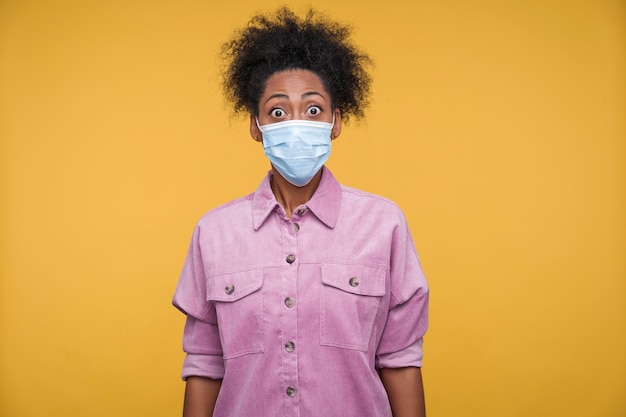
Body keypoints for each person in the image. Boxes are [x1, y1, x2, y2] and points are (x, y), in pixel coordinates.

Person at [172, 6, 429, 417]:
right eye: (277, 111)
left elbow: (400, 358)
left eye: (312, 110)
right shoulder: (214, 233)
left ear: (336, 122)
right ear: (256, 126)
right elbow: (204, 364)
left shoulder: (384, 225)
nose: (296, 123)